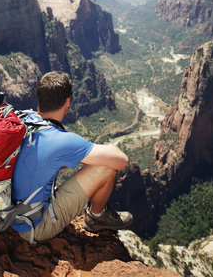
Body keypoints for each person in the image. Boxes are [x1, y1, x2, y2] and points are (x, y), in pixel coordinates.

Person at [11, 71, 133, 242]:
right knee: (106, 167)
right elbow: (121, 160)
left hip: (7, 213)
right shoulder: (59, 140)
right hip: (34, 227)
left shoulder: (21, 119)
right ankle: (96, 217)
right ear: (67, 101)